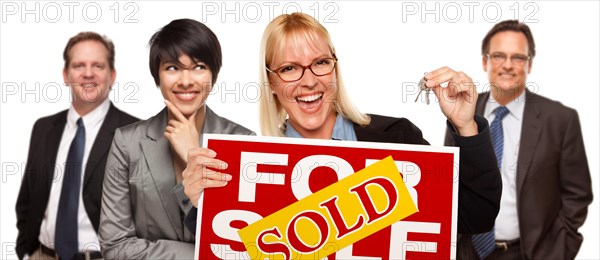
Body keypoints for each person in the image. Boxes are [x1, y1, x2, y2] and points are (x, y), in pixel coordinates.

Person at [183, 12, 501, 238]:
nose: (309, 81)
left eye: (321, 63)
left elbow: (477, 215)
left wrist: (465, 125)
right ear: (272, 82)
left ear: (335, 69)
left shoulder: (397, 139)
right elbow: (234, 246)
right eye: (290, 68)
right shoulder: (248, 170)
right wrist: (203, 205)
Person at [97, 18, 254, 259]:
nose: (186, 81)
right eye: (172, 67)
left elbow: (245, 245)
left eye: (199, 66)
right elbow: (114, 246)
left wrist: (194, 151)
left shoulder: (243, 141)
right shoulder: (127, 142)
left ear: (214, 73)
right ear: (157, 76)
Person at [445, 20, 593, 259]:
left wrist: (555, 252)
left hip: (528, 253)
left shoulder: (560, 120)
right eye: (498, 56)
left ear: (529, 64)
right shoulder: (463, 112)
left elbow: (577, 196)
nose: (507, 65)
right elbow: (451, 185)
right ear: (485, 61)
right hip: (467, 252)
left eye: (518, 57)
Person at [15, 32, 139, 260]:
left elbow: (149, 216)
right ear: (66, 74)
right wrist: (26, 251)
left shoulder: (136, 133)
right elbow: (27, 200)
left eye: (98, 66)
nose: (88, 73)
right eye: (79, 65)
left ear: (112, 75)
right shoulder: (43, 128)